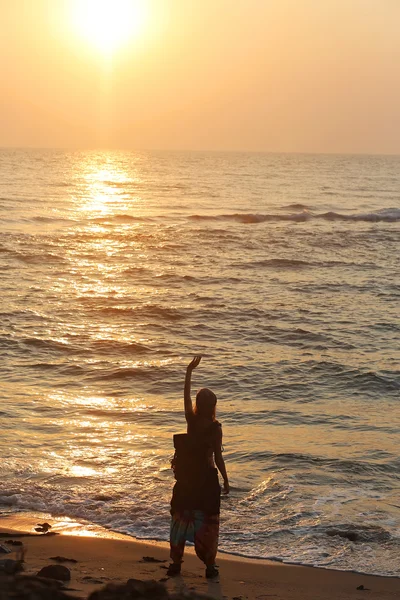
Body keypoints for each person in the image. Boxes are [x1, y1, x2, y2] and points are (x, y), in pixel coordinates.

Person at [168, 356, 229, 579]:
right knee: (209, 523)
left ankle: (175, 563)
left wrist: (188, 372)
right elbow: (218, 458)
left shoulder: (191, 421)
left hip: (187, 481)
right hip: (206, 482)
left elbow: (184, 397)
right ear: (212, 407)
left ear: (198, 404)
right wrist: (226, 480)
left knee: (180, 519)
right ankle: (210, 566)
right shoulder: (215, 428)